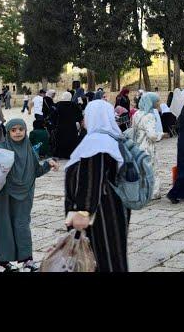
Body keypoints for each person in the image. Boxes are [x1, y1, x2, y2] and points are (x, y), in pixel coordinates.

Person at [64, 100, 130, 272]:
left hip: (101, 212)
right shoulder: (107, 138)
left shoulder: (97, 141)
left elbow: (92, 179)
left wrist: (83, 211)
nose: (84, 118)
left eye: (86, 114)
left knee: (103, 257)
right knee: (111, 255)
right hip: (110, 208)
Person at [0, 119, 58, 272]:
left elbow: (36, 171)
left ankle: (27, 260)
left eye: (21, 129)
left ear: (26, 131)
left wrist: (48, 164)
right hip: (2, 196)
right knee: (2, 226)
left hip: (24, 195)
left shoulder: (29, 150)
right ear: (8, 132)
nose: (18, 132)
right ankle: (1, 262)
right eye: (13, 130)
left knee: (22, 226)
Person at [132, 92, 164, 200]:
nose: (158, 103)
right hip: (147, 145)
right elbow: (152, 135)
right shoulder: (149, 116)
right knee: (152, 169)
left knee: (141, 170)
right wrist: (162, 135)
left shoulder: (137, 114)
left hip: (138, 144)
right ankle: (153, 192)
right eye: (156, 101)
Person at [49, 91, 84, 159]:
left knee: (61, 141)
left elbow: (53, 116)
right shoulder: (74, 105)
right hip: (71, 127)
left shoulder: (58, 105)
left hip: (61, 127)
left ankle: (61, 155)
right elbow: (80, 116)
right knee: (71, 141)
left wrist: (54, 124)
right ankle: (70, 154)